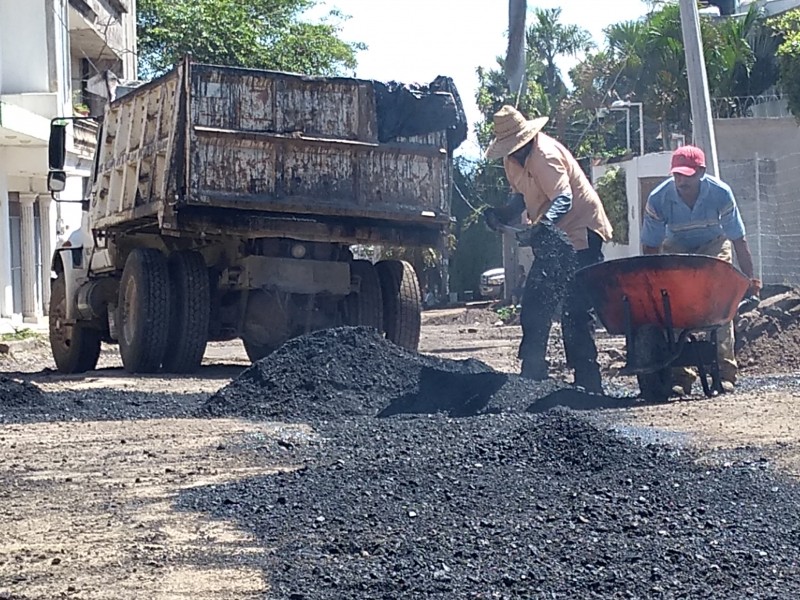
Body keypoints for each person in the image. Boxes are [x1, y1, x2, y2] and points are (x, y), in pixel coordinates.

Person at [483, 105, 613, 393]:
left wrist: (544, 225)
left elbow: (563, 198)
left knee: (575, 308)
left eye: (516, 147)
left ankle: (588, 382)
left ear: (526, 139)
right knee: (535, 303)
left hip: (582, 230)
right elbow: (521, 197)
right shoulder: (512, 161)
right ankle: (533, 376)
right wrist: (502, 214)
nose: (513, 152)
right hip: (553, 236)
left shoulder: (545, 155)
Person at [640, 144, 760, 395]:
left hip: (713, 245)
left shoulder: (720, 193)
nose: (681, 180)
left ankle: (725, 373)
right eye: (677, 175)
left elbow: (738, 238)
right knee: (672, 306)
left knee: (720, 305)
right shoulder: (658, 199)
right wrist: (652, 283)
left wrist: (749, 278)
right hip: (676, 245)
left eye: (687, 174)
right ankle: (680, 377)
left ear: (701, 172)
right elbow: (651, 246)